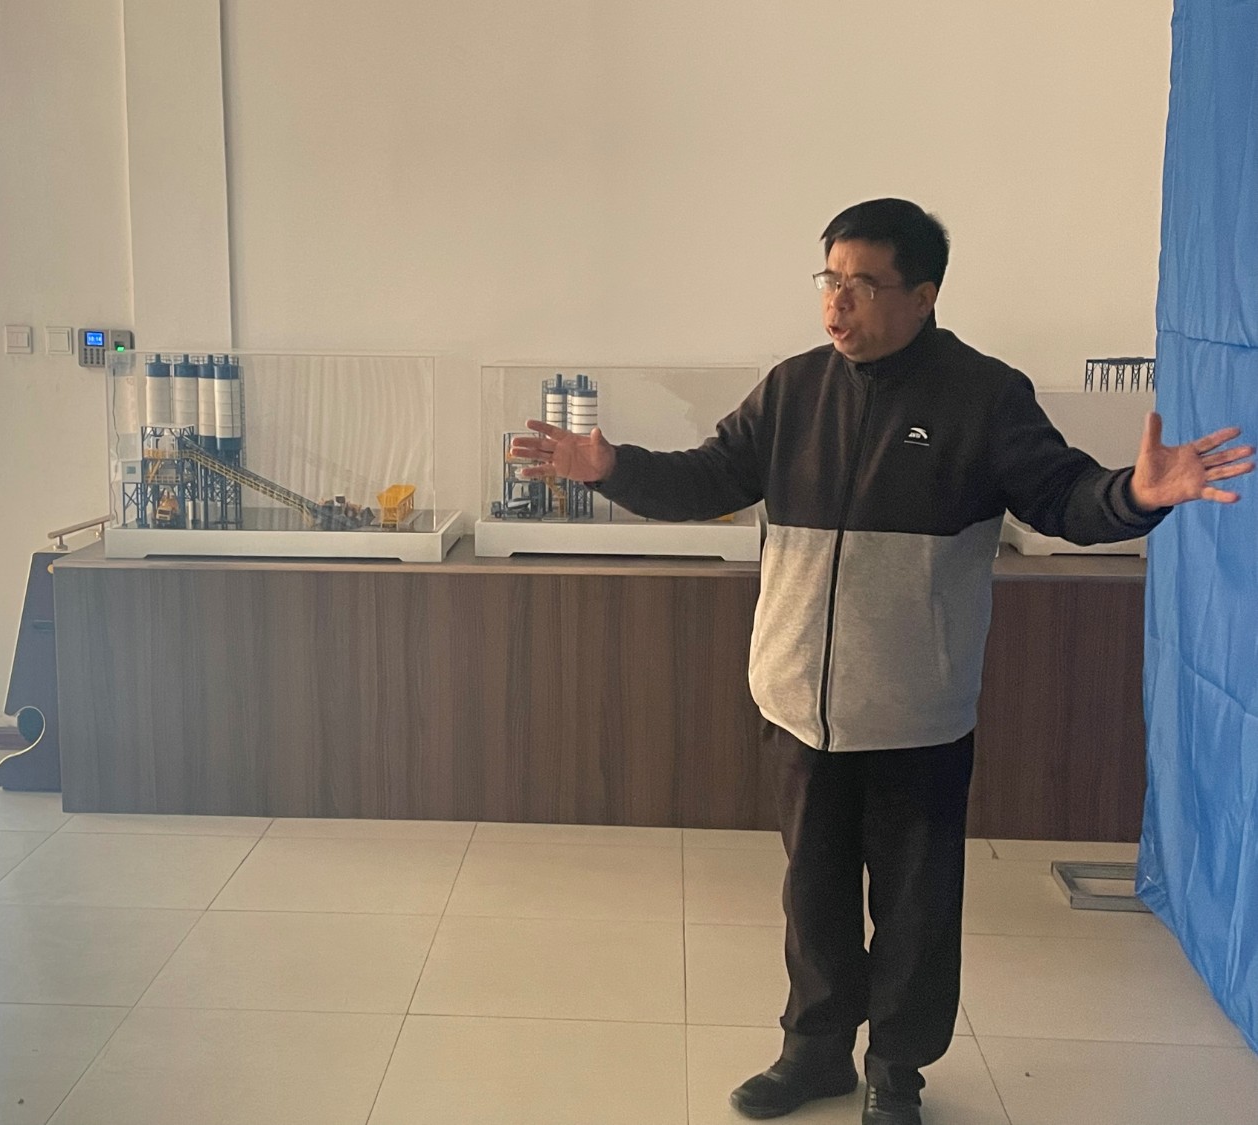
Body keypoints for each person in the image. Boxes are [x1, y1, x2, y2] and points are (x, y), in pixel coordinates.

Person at [509, 198, 1253, 1125]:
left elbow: (1064, 497)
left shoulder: (985, 396)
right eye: (829, 280)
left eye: (862, 285)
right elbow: (706, 478)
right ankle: (814, 1051)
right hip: (798, 703)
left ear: (923, 294)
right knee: (812, 893)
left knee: (915, 904)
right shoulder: (791, 390)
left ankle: (897, 1069)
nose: (838, 303)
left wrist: (1135, 494)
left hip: (915, 710)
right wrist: (612, 466)